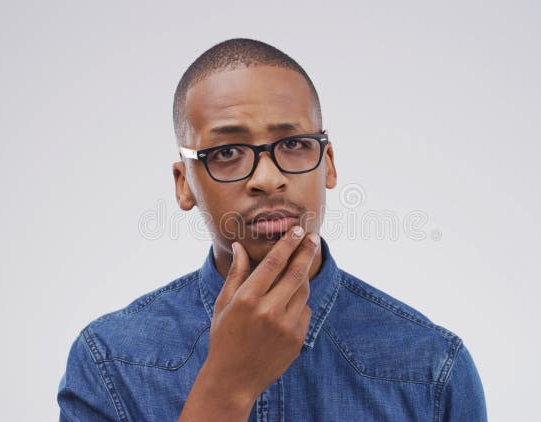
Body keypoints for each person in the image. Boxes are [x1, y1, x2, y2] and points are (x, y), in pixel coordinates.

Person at [57, 38, 487, 421]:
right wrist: (227, 385)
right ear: (184, 184)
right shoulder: (109, 361)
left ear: (329, 164)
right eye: (227, 152)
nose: (267, 178)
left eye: (294, 145)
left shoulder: (433, 366)